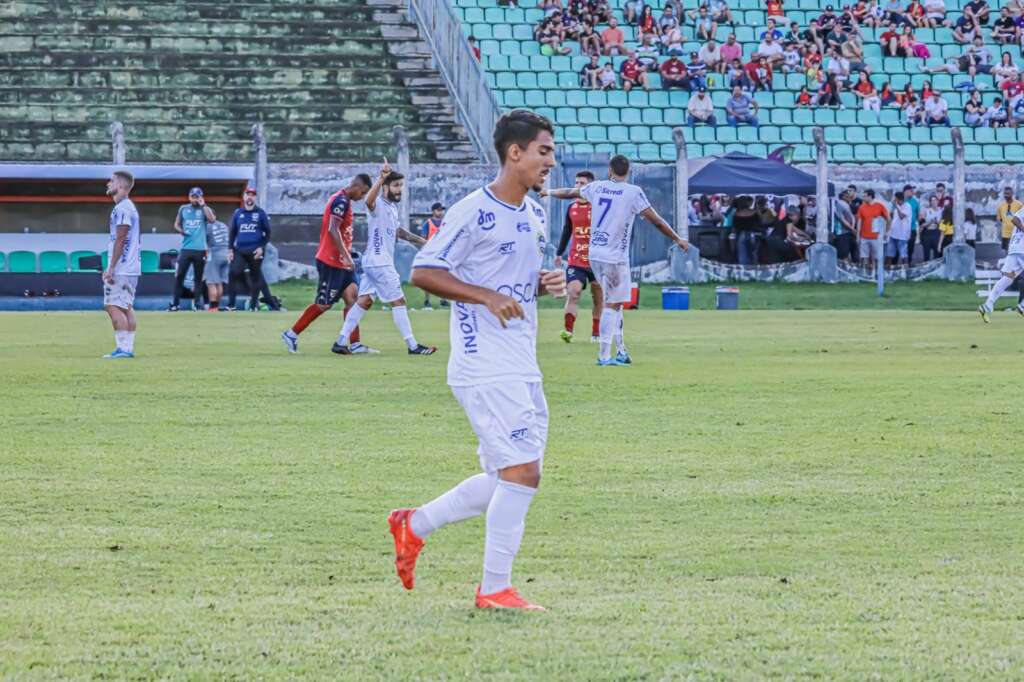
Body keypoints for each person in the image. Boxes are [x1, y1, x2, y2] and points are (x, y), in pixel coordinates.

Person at [388, 110, 566, 612]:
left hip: (520, 357)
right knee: (523, 472)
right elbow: (424, 271)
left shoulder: (533, 213)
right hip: (483, 361)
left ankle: (413, 525)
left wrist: (541, 285)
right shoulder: (472, 210)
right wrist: (485, 296)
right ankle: (494, 589)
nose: (551, 161)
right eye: (544, 151)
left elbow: (513, 281)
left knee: (509, 476)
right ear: (516, 153)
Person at [544, 155, 689, 366]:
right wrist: (677, 238)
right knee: (612, 305)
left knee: (616, 303)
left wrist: (547, 191)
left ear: (610, 171)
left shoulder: (598, 187)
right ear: (628, 171)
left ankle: (621, 350)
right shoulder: (633, 192)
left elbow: (569, 192)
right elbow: (656, 221)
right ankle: (604, 356)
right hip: (615, 257)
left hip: (594, 254)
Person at [332, 163, 436, 356]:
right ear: (386, 187)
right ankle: (413, 346)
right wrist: (380, 178)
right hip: (380, 262)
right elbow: (368, 202)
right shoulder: (378, 202)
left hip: (373, 261)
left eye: (401, 186)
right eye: (396, 186)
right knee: (399, 300)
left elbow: (397, 231)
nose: (400, 190)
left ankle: (339, 342)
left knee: (364, 301)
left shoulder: (391, 208)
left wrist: (421, 241)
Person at [281, 174, 372, 353]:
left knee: (352, 298)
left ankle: (355, 344)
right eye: (363, 192)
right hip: (331, 262)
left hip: (342, 262)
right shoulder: (341, 202)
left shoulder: (344, 200)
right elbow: (332, 229)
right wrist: (346, 255)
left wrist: (347, 254)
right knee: (324, 303)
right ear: (355, 186)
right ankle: (291, 334)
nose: (362, 197)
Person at [555, 170, 603, 343]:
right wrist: (560, 253)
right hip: (576, 260)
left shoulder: (599, 206)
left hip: (597, 261)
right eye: (576, 183)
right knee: (573, 292)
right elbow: (567, 230)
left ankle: (596, 333)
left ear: (590, 186)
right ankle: (568, 331)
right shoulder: (572, 207)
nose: (578, 186)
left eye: (582, 183)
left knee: (598, 298)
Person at [102, 170, 141, 359]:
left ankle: (123, 349)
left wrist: (111, 267)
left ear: (120, 186)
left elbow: (121, 239)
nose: (108, 183)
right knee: (126, 306)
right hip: (131, 267)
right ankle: (127, 347)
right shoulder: (128, 207)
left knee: (112, 305)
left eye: (112, 181)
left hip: (123, 267)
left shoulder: (123, 208)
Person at [227, 187, 278, 312]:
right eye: (248, 195)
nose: (250, 197)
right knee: (233, 272)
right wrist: (230, 249)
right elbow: (232, 232)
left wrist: (261, 247)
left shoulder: (260, 213)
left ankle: (253, 305)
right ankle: (231, 305)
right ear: (244, 197)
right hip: (240, 249)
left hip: (256, 250)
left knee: (256, 277)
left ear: (255, 198)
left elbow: (268, 232)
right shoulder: (238, 213)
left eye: (252, 195)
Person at [170, 187, 215, 311]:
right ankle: (175, 304)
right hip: (186, 248)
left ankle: (197, 304)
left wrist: (204, 204)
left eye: (197, 196)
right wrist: (182, 231)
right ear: (189, 197)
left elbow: (212, 220)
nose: (195, 199)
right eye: (193, 196)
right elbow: (176, 224)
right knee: (180, 276)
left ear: (201, 197)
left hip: (200, 249)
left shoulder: (204, 209)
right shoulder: (183, 208)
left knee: (198, 278)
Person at [978, 201, 1024, 321]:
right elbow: (1015, 220)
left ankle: (987, 306)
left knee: (1008, 278)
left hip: (1015, 249)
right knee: (1008, 278)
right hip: (1021, 248)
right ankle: (1023, 306)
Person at [419, 202, 447, 308]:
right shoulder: (428, 223)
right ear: (433, 211)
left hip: (441, 254)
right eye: (438, 210)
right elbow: (422, 239)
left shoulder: (445, 223)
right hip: (429, 253)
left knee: (443, 277)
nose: (441, 212)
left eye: (442, 210)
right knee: (428, 278)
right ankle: (427, 300)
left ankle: (443, 299)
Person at [855, 189, 890, 267]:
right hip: (864, 236)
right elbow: (859, 222)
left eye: (865, 196)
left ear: (870, 196)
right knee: (864, 256)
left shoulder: (879, 206)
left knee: (877, 256)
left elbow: (888, 219)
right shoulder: (862, 207)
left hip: (876, 237)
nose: (863, 198)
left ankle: (876, 272)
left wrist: (886, 232)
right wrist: (858, 235)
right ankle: (865, 273)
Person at [204, 215, 231, 311]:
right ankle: (216, 306)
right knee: (219, 283)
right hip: (227, 254)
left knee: (211, 282)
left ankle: (212, 307)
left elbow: (203, 240)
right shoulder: (223, 225)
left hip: (215, 254)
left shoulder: (207, 226)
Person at [886, 191, 912, 267]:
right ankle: (888, 270)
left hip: (903, 235)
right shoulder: (895, 206)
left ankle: (905, 271)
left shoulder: (907, 206)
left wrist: (896, 205)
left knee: (903, 254)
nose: (894, 200)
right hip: (893, 234)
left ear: (899, 199)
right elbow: (891, 216)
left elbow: (901, 217)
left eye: (895, 199)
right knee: (889, 253)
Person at [832, 188, 857, 261]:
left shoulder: (847, 204)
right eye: (847, 196)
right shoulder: (839, 204)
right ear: (843, 196)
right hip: (842, 233)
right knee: (842, 254)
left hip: (849, 232)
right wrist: (852, 229)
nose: (849, 197)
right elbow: (842, 219)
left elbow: (851, 217)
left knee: (850, 252)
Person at [997, 187, 1023, 252]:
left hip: (1016, 234)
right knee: (1007, 252)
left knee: (1017, 252)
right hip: (1005, 234)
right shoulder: (1000, 206)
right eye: (1005, 193)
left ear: (1012, 194)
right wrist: (999, 233)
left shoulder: (1019, 204)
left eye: (1008, 193)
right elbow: (999, 220)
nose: (1006, 195)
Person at [919, 195, 943, 260]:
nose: (933, 202)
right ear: (930, 202)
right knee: (926, 253)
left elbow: (942, 224)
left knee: (937, 253)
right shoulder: (926, 211)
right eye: (932, 200)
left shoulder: (941, 210)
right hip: (927, 232)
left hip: (936, 232)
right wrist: (930, 222)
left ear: (937, 201)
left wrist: (936, 222)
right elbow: (921, 224)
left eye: (935, 200)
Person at [903, 184, 921, 264]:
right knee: (901, 247)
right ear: (905, 192)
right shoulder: (900, 200)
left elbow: (918, 215)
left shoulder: (915, 202)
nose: (913, 192)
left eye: (913, 191)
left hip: (912, 229)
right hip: (902, 229)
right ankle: (898, 264)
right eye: (911, 191)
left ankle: (909, 263)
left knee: (910, 247)